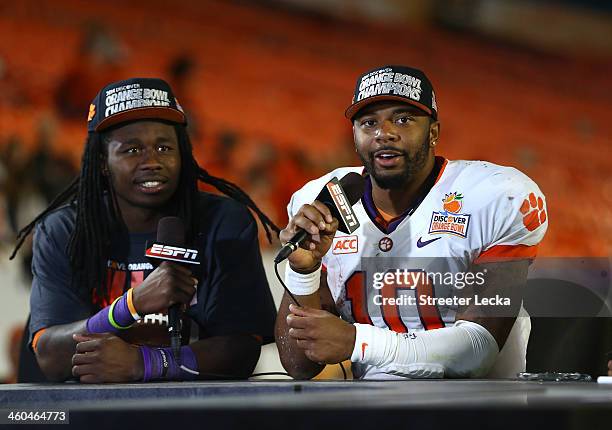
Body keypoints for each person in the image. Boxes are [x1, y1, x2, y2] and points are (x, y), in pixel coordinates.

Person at [275, 65, 548, 380]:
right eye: (369, 122)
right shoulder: (324, 201)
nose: (384, 132)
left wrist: (358, 342)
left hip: (480, 410)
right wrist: (303, 271)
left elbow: (478, 349)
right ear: (355, 136)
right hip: (373, 410)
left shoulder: (494, 194)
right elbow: (299, 364)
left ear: (433, 132)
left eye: (403, 119)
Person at [11, 78, 279, 383]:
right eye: (132, 149)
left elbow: (241, 350)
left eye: (164, 147)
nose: (152, 161)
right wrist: (130, 305)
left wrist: (144, 363)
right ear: (102, 162)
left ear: (184, 154)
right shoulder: (64, 230)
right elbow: (50, 355)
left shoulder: (224, 222)